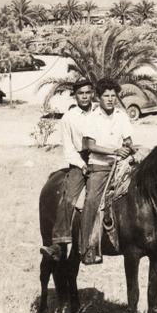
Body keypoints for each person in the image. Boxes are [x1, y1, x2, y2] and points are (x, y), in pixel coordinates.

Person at [80, 77, 135, 264]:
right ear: (99, 97)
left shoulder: (121, 116)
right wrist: (114, 150)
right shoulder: (92, 118)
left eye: (113, 95)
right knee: (92, 200)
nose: (111, 99)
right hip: (100, 166)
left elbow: (128, 140)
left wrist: (130, 147)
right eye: (106, 96)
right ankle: (87, 246)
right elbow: (90, 145)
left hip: (121, 164)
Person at [39, 79, 95, 261]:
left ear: (92, 93)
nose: (85, 96)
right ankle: (59, 241)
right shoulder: (69, 118)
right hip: (80, 160)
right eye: (81, 93)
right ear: (75, 95)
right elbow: (69, 148)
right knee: (69, 196)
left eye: (88, 92)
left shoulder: (100, 113)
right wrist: (82, 165)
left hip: (104, 157)